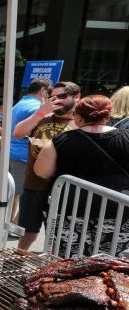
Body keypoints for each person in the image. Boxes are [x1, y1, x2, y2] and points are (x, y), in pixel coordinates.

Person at [34, 94, 129, 256]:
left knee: (72, 263)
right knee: (111, 264)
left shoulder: (61, 140)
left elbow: (42, 172)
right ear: (107, 116)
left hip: (71, 212)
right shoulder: (126, 138)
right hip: (118, 211)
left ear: (77, 116)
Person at [13, 81, 80, 251]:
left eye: (63, 96)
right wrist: (40, 113)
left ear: (77, 97)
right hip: (33, 185)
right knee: (27, 232)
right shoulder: (43, 118)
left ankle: (53, 270)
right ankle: (14, 264)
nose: (57, 101)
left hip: (63, 190)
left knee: (59, 236)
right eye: (53, 97)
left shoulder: (80, 123)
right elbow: (18, 132)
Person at [9, 78, 52, 225]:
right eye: (49, 92)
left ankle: (9, 222)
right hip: (24, 155)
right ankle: (14, 224)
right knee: (23, 193)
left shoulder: (19, 104)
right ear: (43, 90)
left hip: (13, 152)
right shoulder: (37, 108)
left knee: (14, 192)